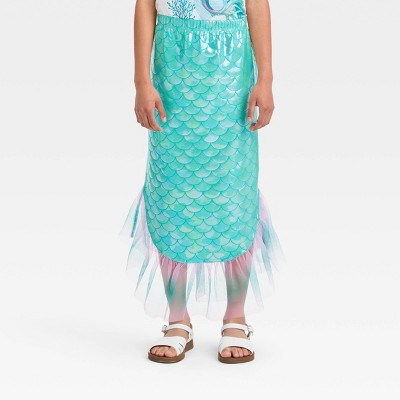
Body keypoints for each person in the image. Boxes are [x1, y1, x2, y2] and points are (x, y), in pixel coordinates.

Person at [120, 0, 283, 364]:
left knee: (233, 190)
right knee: (171, 191)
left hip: (231, 77)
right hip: (173, 75)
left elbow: (256, 4)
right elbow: (146, 4)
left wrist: (266, 79)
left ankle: (236, 317)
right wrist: (142, 81)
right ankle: (177, 319)